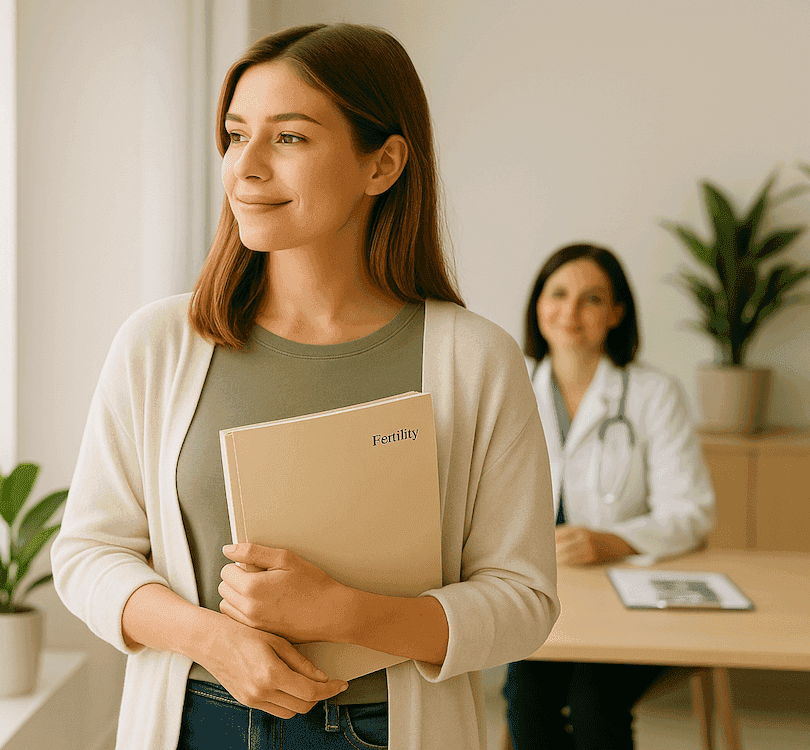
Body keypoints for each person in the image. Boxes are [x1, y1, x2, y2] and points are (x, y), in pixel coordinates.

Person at [52, 23, 559, 750]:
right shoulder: (159, 343)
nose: (245, 168)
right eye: (235, 134)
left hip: (387, 731)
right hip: (194, 725)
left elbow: (523, 602)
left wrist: (347, 613)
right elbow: (85, 555)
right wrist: (213, 640)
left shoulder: (477, 360)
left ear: (382, 164)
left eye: (289, 138)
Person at [503, 243, 716, 750]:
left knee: (595, 702)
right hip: (543, 599)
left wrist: (613, 541)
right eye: (558, 294)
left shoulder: (653, 394)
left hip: (631, 601)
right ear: (538, 305)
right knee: (527, 702)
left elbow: (691, 512)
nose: (571, 312)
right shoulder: (507, 389)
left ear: (616, 313)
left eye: (592, 298)